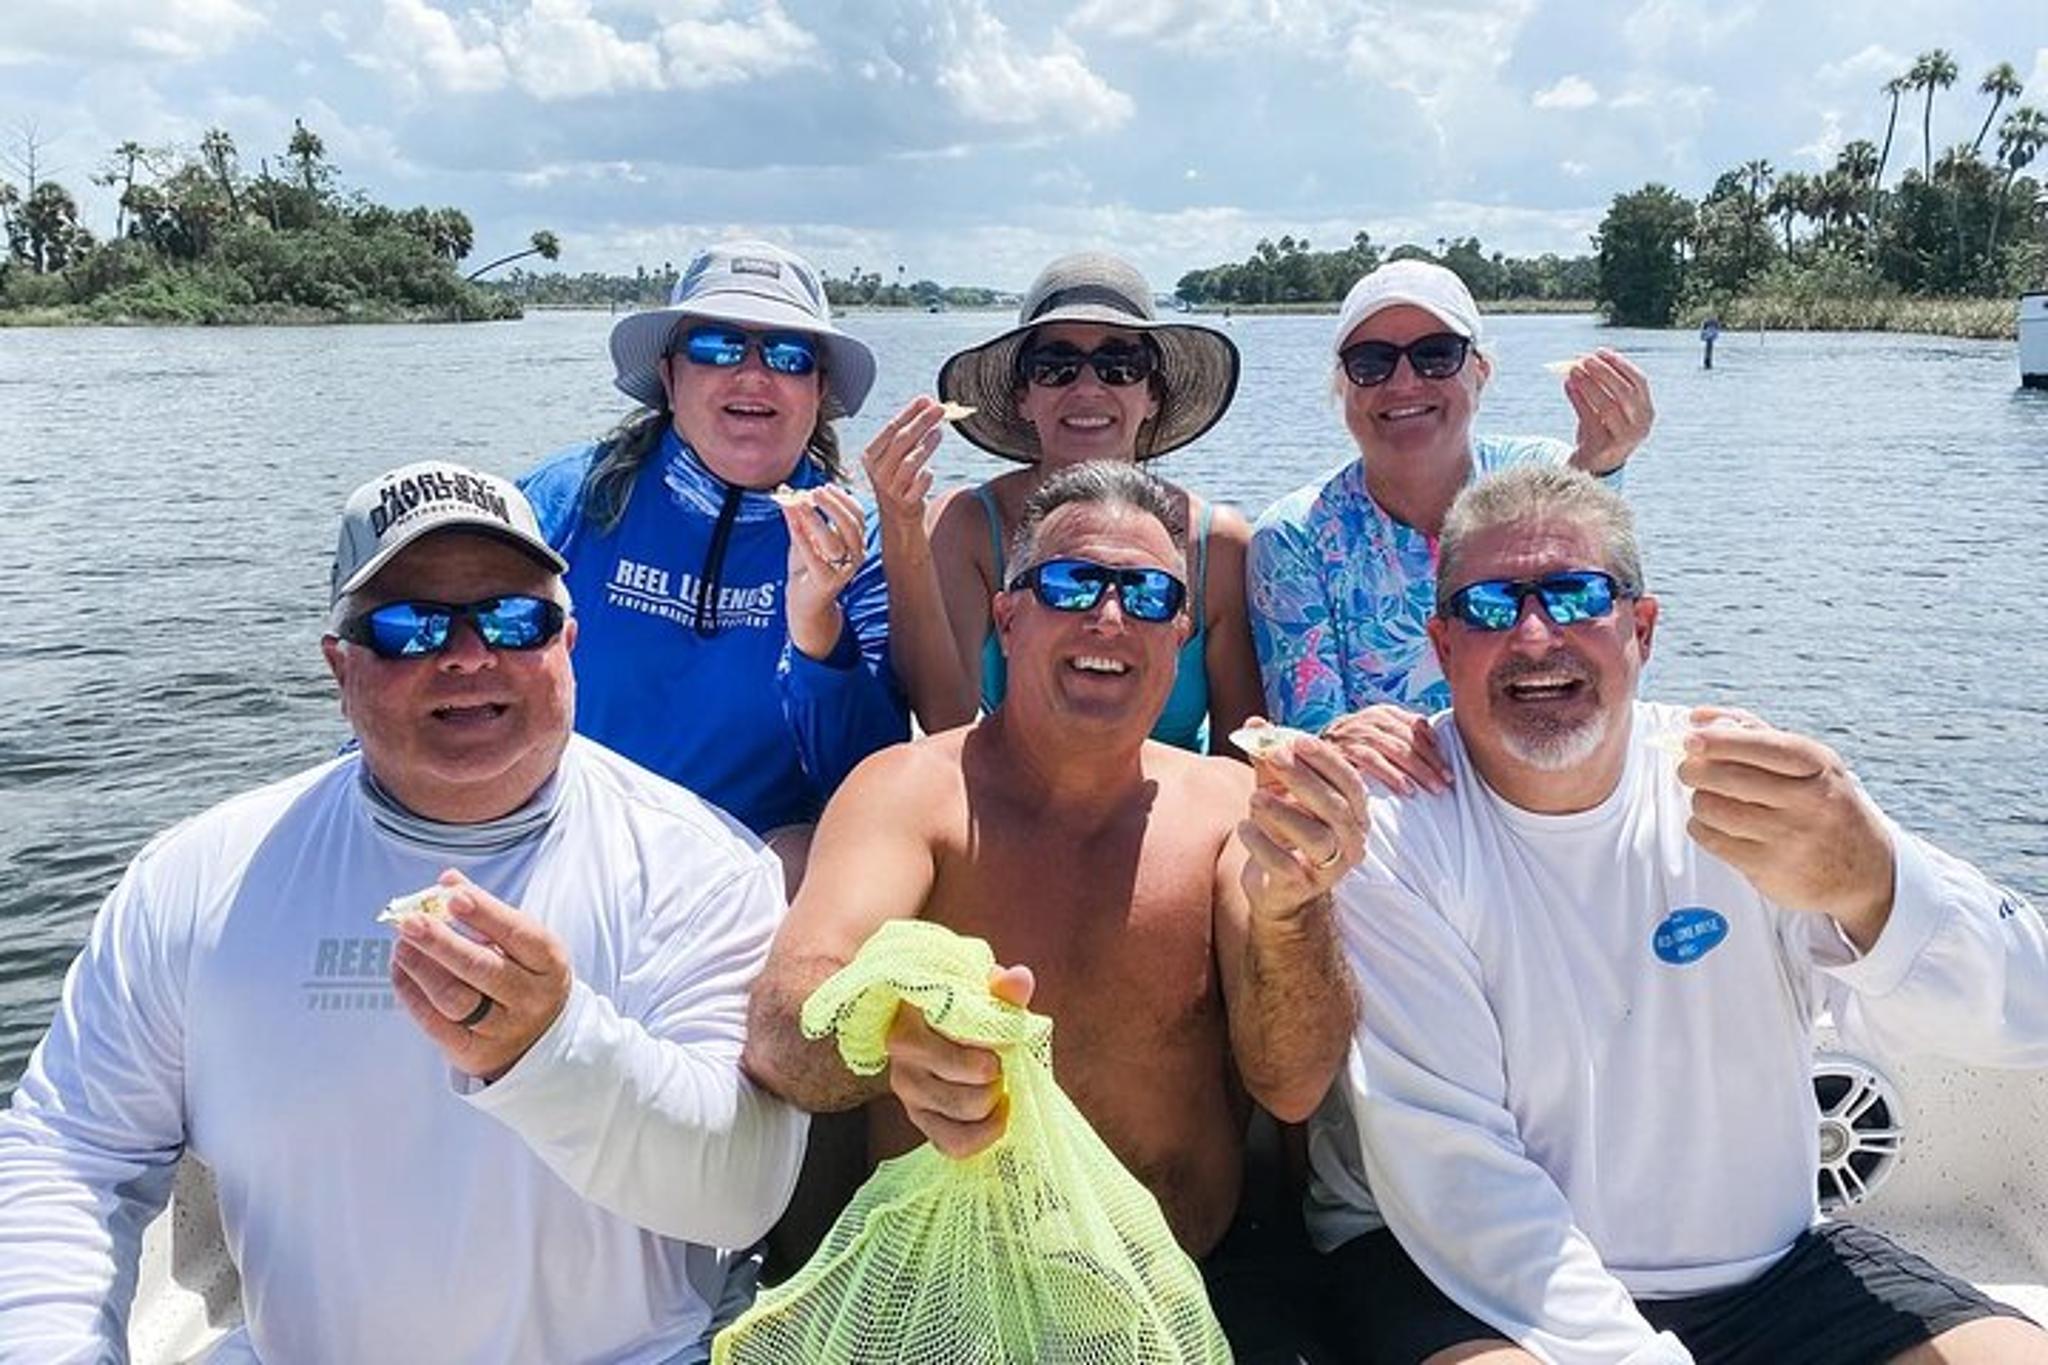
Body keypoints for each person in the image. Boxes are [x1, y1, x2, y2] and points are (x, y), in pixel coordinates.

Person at [0, 461, 807, 1363]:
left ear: (568, 643)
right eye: (409, 627)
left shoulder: (706, 868)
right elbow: (71, 1150)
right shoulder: (192, 878)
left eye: (512, 618)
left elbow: (744, 1191)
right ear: (338, 665)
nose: (467, 654)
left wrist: (552, 1049)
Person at [1306, 462, 2048, 1365]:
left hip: (1774, 1268)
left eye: (1578, 596)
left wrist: (1877, 886)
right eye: (1493, 607)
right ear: (1444, 644)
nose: (1537, 636)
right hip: (1481, 1283)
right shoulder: (1396, 827)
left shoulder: (1752, 791)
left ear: (1643, 628)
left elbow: (2029, 1013)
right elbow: (1460, 1177)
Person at [744, 462, 1365, 1362]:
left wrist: (1292, 914)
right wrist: (893, 1031)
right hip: (937, 1303)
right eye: (1072, 583)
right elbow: (779, 1029)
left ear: (1181, 632)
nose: (1109, 617)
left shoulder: (1235, 809)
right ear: (1008, 615)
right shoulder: (913, 794)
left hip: (1183, 1291)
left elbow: (1294, 1081)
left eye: (1149, 595)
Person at [519, 239, 910, 890]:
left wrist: (818, 632)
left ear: (818, 390)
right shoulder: (566, 502)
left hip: (746, 882)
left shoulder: (859, 541)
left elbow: (868, 785)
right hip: (563, 858)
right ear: (671, 378)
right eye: (717, 348)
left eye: (788, 356)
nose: (753, 376)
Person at [1247, 258, 1656, 796]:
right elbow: (1312, 730)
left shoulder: (1552, 473)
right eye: (1371, 362)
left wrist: (1603, 464)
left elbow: (1597, 638)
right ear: (1343, 386)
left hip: (1555, 791)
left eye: (1436, 355)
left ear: (1480, 371)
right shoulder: (1294, 535)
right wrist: (1335, 739)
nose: (1404, 382)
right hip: (1400, 817)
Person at [865, 250, 1262, 753]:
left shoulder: (1218, 544)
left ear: (1152, 395)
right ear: (1023, 396)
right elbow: (946, 719)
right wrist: (901, 530)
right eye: (1056, 367)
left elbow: (1242, 750)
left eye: (1119, 365)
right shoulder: (968, 524)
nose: (1089, 387)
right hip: (1018, 806)